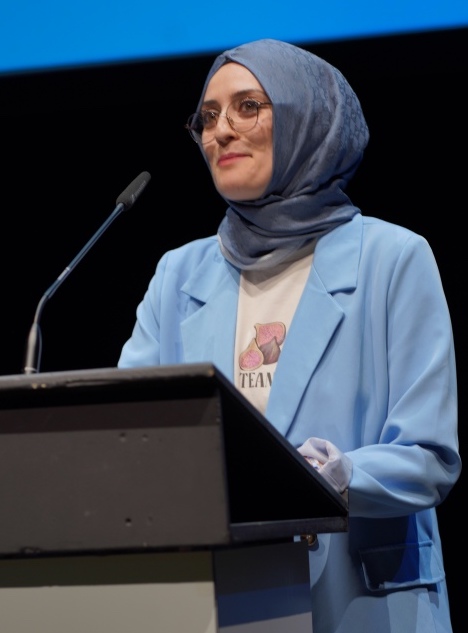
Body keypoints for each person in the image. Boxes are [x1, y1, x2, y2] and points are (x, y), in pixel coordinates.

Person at [118, 38, 461, 633]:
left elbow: (429, 457)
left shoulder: (393, 258)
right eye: (207, 116)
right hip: (220, 600)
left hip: (361, 603)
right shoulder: (179, 274)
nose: (220, 131)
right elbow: (130, 436)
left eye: (247, 106)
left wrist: (342, 478)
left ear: (308, 119)